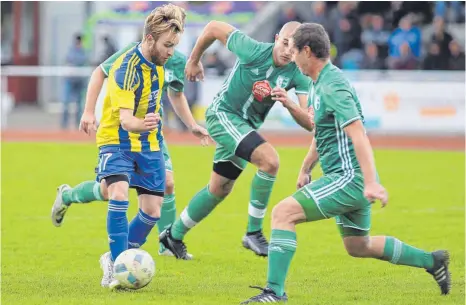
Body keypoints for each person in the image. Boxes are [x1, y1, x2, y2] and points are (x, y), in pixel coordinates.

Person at [240, 23, 451, 303]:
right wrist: (306, 167)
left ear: (307, 51)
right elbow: (323, 130)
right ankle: (432, 260)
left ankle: (274, 293)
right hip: (349, 178)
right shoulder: (319, 82)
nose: (291, 57)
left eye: (294, 51)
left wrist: (371, 181)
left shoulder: (332, 85)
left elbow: (358, 132)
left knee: (282, 213)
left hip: (349, 178)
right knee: (358, 245)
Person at [55, 4, 185, 290]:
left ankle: (76, 202)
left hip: (148, 142)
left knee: (152, 209)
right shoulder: (126, 66)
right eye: (168, 45)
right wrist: (90, 112)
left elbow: (172, 96)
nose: (171, 52)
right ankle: (117, 265)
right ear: (150, 39)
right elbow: (127, 121)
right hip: (117, 138)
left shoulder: (161, 63)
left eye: (174, 46)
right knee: (118, 191)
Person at [159, 20, 313, 260]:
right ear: (276, 38)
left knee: (218, 189)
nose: (287, 52)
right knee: (270, 161)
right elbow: (212, 27)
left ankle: (173, 236)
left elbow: (309, 122)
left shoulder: (298, 73)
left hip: (244, 128)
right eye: (284, 44)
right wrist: (194, 59)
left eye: (293, 49)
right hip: (223, 115)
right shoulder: (251, 49)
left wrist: (290, 104)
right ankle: (253, 233)